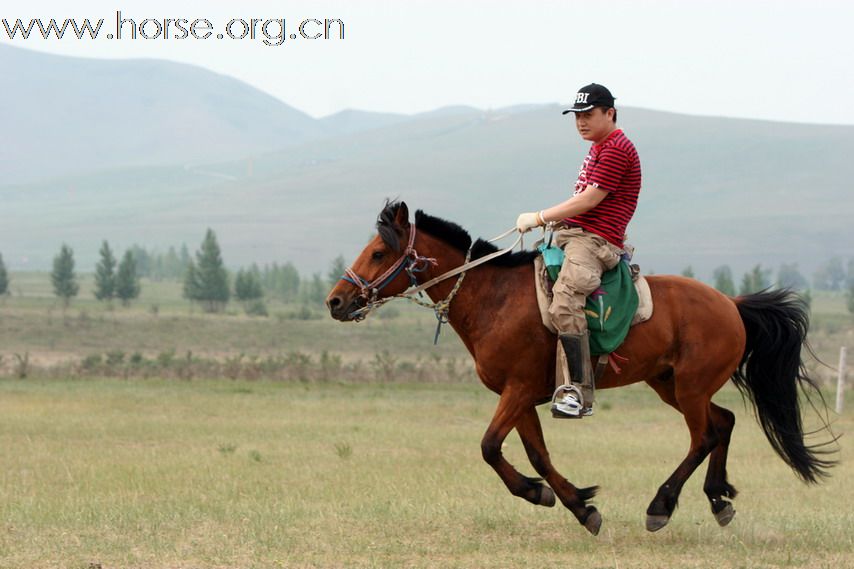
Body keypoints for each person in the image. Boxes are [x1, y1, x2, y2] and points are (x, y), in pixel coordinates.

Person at [516, 83, 641, 418]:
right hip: (576, 234)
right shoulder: (599, 146)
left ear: (609, 113)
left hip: (595, 242)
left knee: (565, 302)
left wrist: (541, 216)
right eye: (577, 116)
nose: (581, 122)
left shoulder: (615, 149)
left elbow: (588, 200)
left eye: (588, 115)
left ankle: (577, 394)